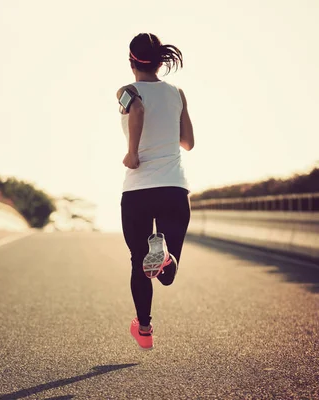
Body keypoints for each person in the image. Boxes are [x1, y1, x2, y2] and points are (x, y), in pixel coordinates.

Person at [117, 33, 194, 350]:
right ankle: (165, 257)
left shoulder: (126, 91)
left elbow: (135, 109)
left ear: (131, 61)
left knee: (139, 262)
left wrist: (133, 152)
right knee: (166, 272)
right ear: (161, 61)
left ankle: (145, 329)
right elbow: (188, 142)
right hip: (174, 190)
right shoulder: (178, 93)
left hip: (138, 191)